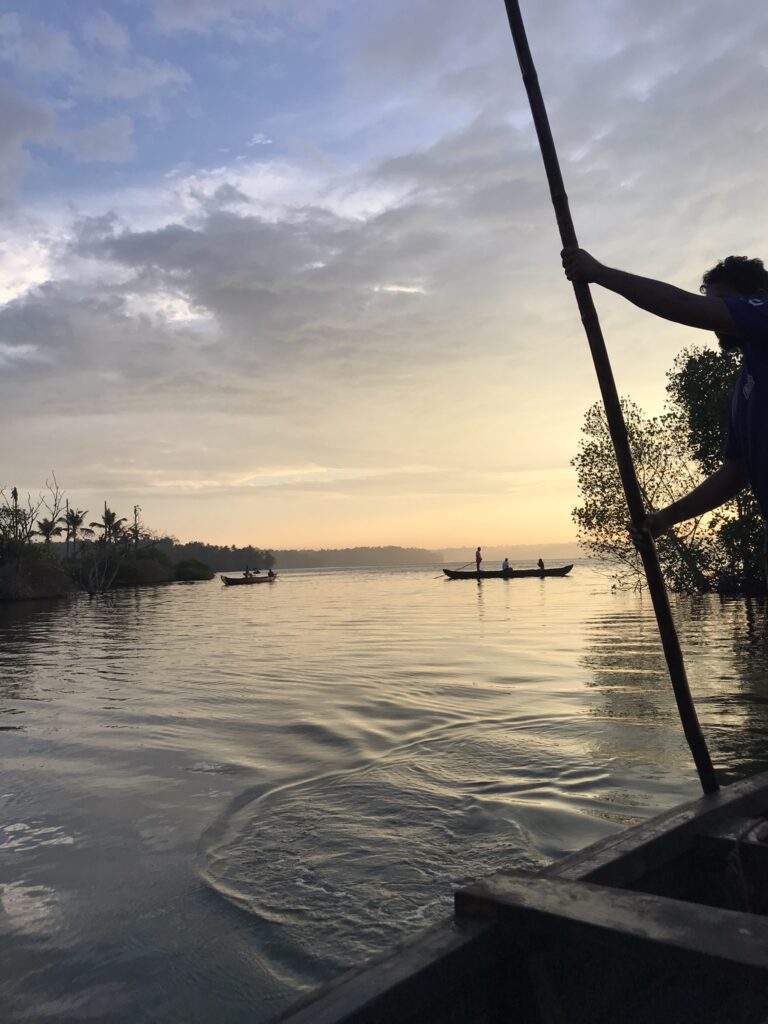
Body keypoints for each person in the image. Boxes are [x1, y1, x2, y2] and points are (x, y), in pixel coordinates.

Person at [562, 248, 768, 572]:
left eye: (724, 303)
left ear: (758, 297)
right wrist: (667, 517)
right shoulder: (745, 387)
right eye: (713, 303)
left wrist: (598, 273)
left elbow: (681, 305)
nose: (714, 318)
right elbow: (735, 473)